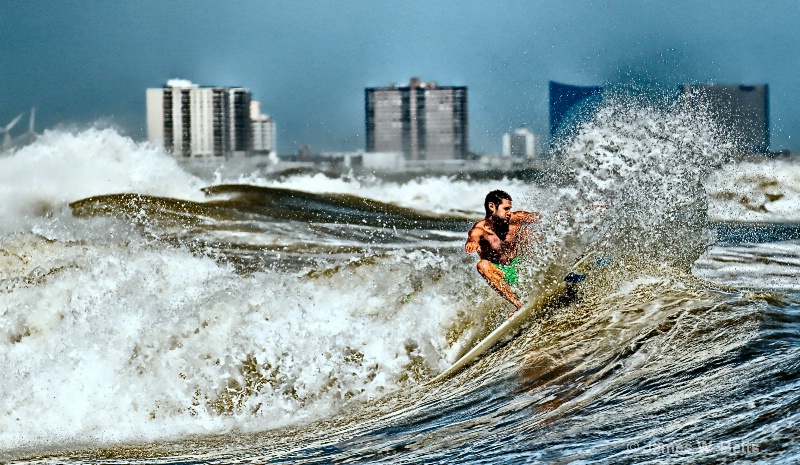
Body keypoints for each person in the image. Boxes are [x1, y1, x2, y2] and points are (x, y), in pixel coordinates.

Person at [465, 190, 540, 316]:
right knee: (482, 265)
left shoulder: (515, 219)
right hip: (503, 273)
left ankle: (565, 265)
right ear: (491, 207)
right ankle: (518, 305)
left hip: (524, 266)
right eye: (506, 209)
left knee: (528, 232)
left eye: (510, 209)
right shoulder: (480, 229)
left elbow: (546, 220)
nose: (509, 213)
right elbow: (473, 236)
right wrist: (472, 242)